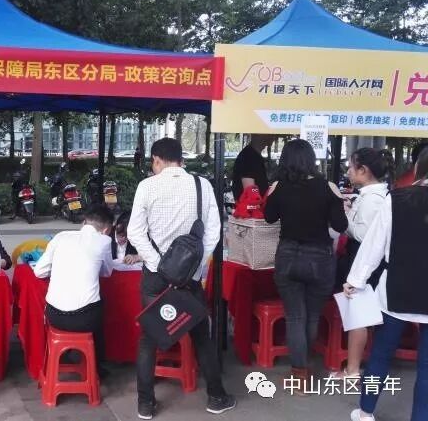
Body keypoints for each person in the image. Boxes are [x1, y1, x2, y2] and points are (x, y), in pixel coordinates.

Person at [127, 138, 235, 419]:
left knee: (149, 338)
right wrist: (194, 269)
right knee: (201, 336)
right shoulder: (202, 185)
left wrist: (157, 264)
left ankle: (145, 404)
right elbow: (213, 232)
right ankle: (216, 397)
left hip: (155, 277)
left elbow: (135, 232)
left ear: (156, 160)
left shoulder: (147, 186)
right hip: (189, 278)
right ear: (180, 159)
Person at [345, 149, 428, 421]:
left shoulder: (397, 199)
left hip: (396, 289)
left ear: (418, 168)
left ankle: (365, 412)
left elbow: (374, 245)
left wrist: (355, 281)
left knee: (380, 355)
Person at [264, 139, 348, 393]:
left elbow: (269, 218)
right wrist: (339, 201)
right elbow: (340, 226)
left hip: (288, 255)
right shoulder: (328, 186)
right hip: (320, 258)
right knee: (311, 316)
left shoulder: (279, 186)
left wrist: (272, 194)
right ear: (311, 159)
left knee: (295, 316)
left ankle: (299, 374)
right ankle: (304, 368)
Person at [332, 148, 394, 380]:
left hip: (365, 262)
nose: (348, 171)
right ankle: (353, 368)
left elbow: (366, 235)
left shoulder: (373, 200)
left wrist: (345, 220)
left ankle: (353, 370)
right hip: (362, 260)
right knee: (358, 313)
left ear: (363, 170)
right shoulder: (371, 196)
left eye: (351, 167)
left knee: (359, 315)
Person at [33, 204, 115, 371]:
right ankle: (95, 366)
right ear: (107, 229)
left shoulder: (61, 236)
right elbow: (107, 272)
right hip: (85, 319)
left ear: (84, 222)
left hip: (54, 316)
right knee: (102, 303)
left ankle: (69, 357)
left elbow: (39, 272)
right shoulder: (104, 241)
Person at [232, 134, 275, 200]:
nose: (273, 136)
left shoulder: (254, 156)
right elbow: (251, 195)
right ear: (257, 135)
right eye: (268, 133)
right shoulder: (248, 157)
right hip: (252, 205)